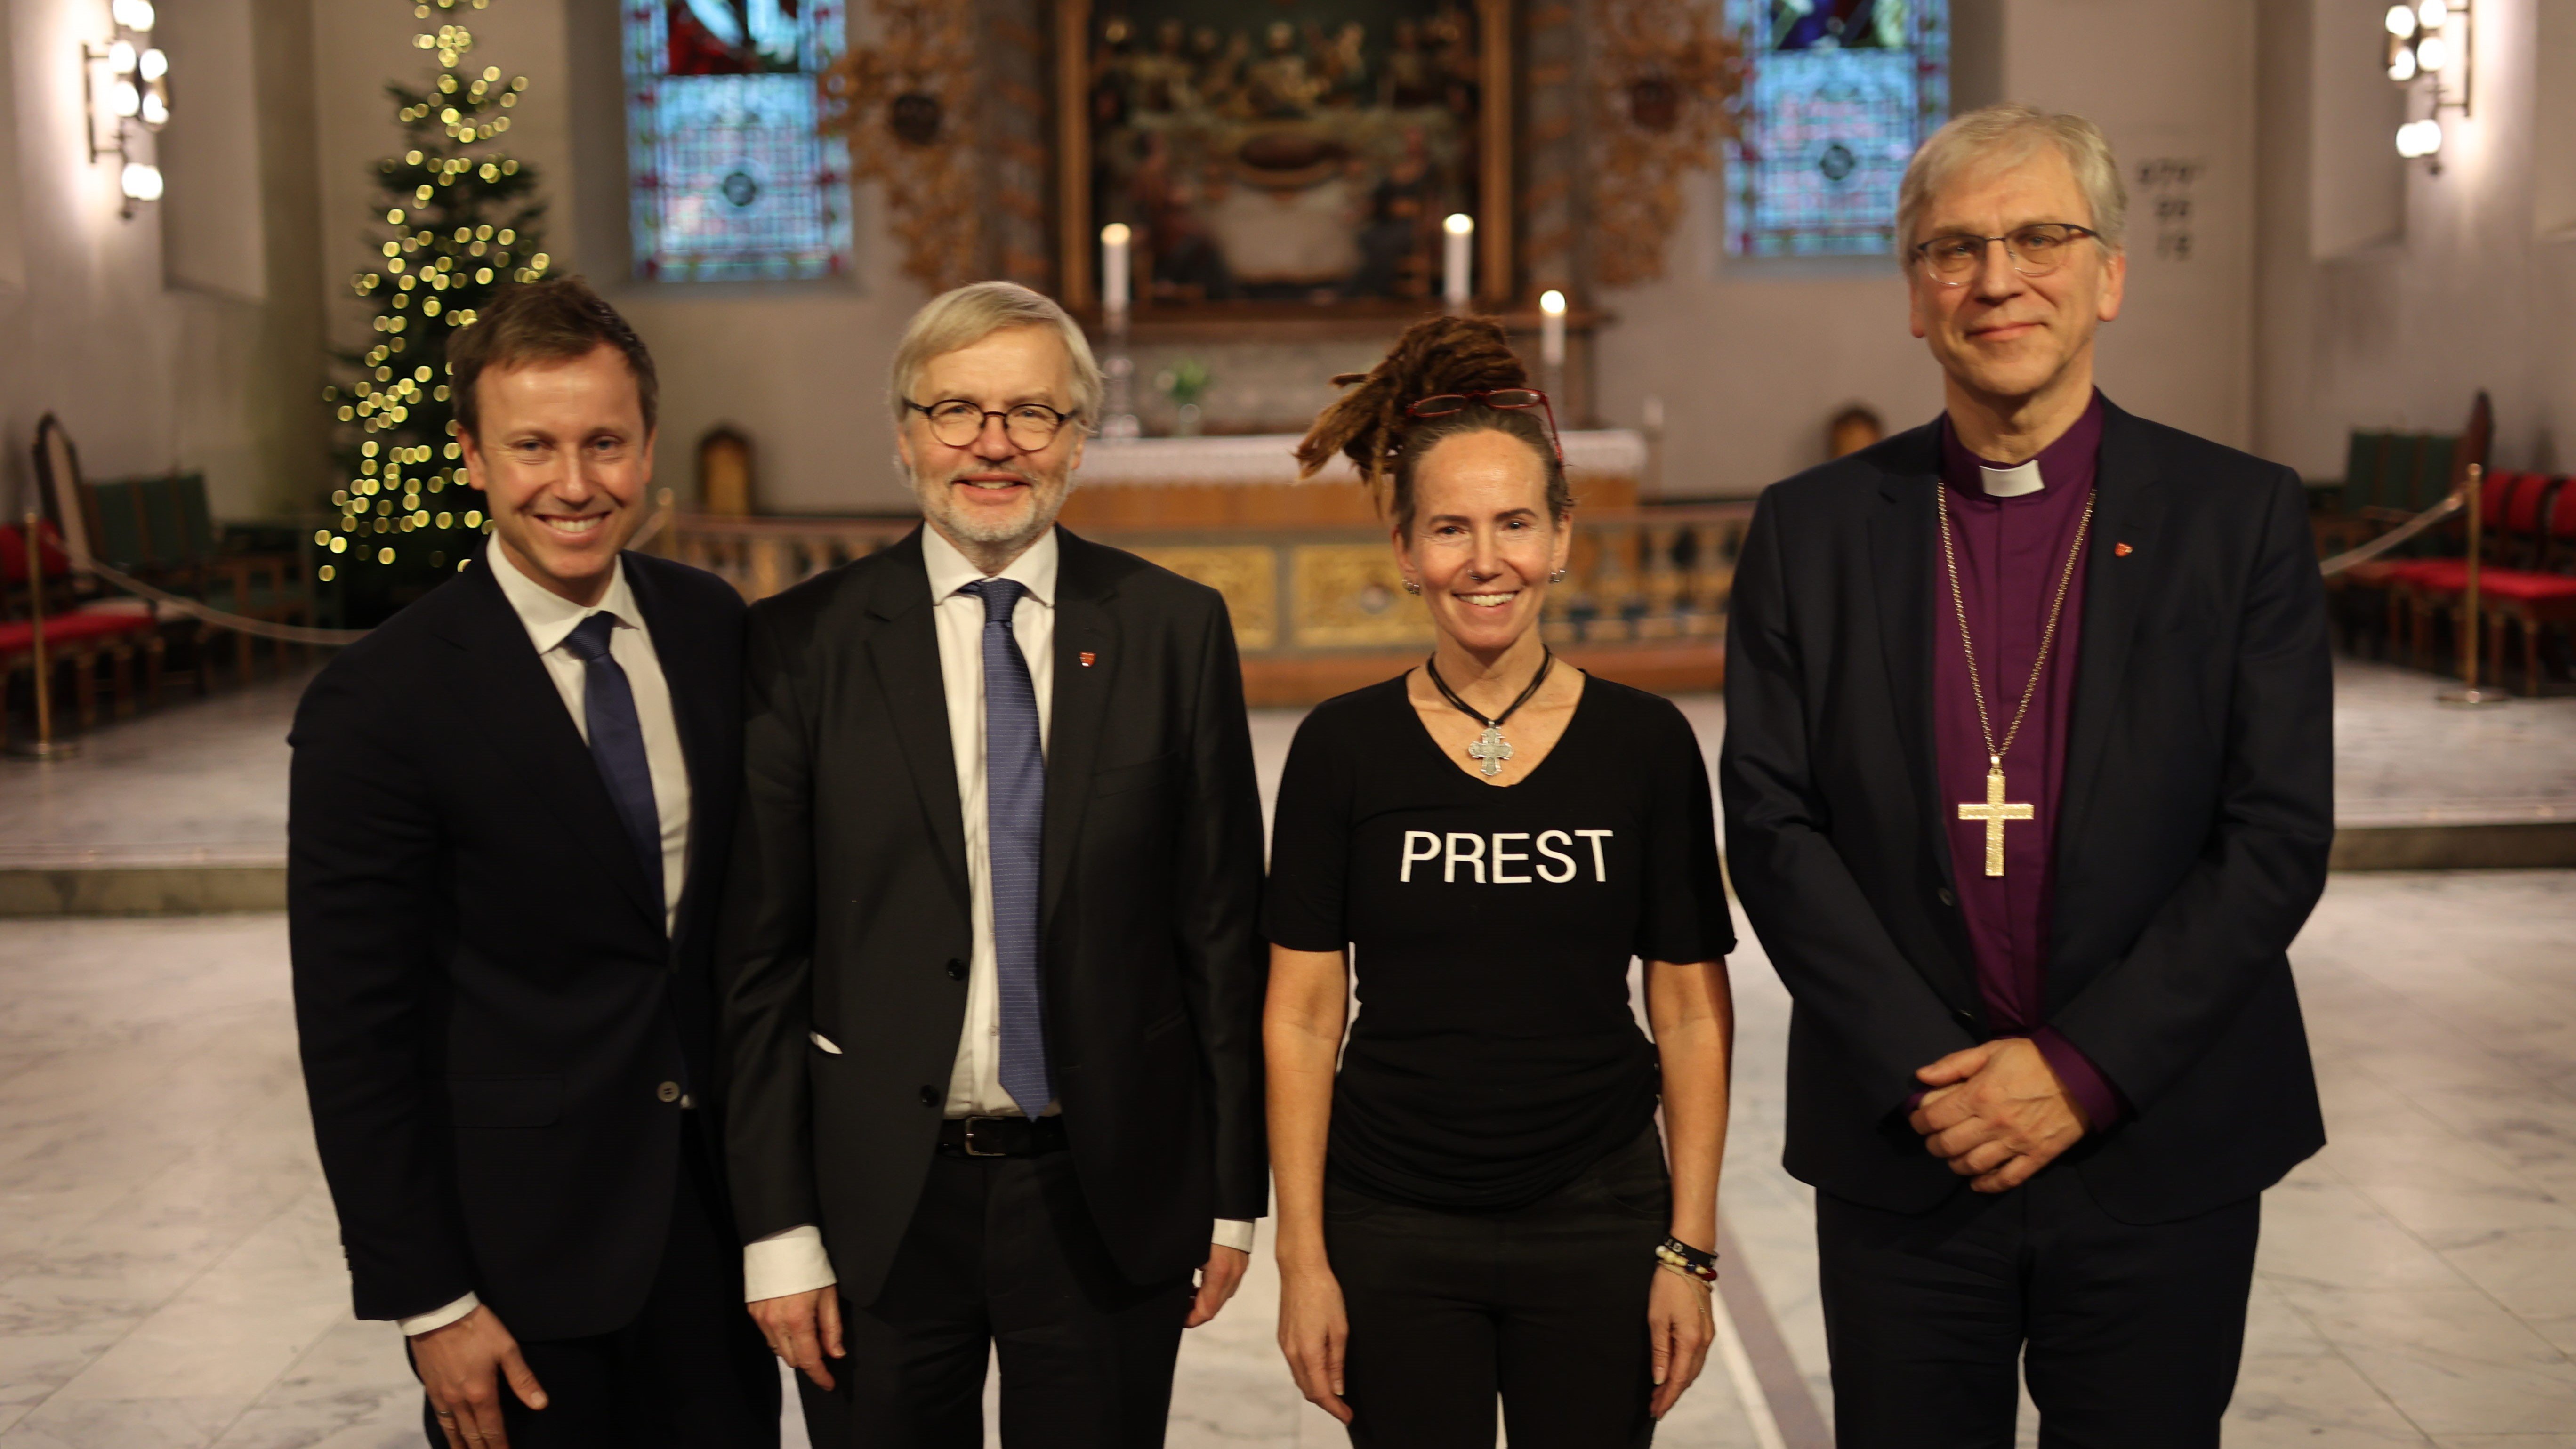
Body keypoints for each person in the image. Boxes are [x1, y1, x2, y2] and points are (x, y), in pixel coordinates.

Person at [1720, 104, 2334, 1447]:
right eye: (1956, 249)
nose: (1999, 278)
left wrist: (2081, 1066)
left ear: (2109, 273)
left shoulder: (2236, 517)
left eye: (2042, 237)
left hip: (2157, 1134)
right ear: (1915, 297)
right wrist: (1937, 1076)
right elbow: (1771, 823)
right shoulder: (1811, 531)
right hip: (1910, 1141)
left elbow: (2276, 832)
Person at [719, 281, 1269, 1446]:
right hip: (876, 1200)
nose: (993, 445)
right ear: (905, 429)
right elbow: (759, 961)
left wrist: (1229, 1196)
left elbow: (1219, 937)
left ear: (1079, 439)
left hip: (1102, 1190)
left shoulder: (1174, 632)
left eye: (1033, 414)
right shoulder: (798, 644)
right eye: (957, 409)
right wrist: (777, 1231)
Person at [289, 276, 778, 1449]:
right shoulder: (379, 701)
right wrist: (431, 1298)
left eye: (605, 443)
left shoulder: (712, 627)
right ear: (471, 456)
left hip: (717, 1239)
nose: (575, 483)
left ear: (649, 447)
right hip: (518, 1263)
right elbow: (355, 1030)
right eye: (534, 447)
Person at [1265, 315, 1737, 1449]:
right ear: (1402, 548)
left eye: (1516, 523)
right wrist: (1303, 1260)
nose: (1486, 560)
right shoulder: (1341, 748)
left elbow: (1687, 1008)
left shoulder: (1647, 743)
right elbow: (1300, 1011)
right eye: (1451, 528)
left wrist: (1690, 1252)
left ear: (1563, 535)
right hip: (1392, 1218)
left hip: (1599, 1211)